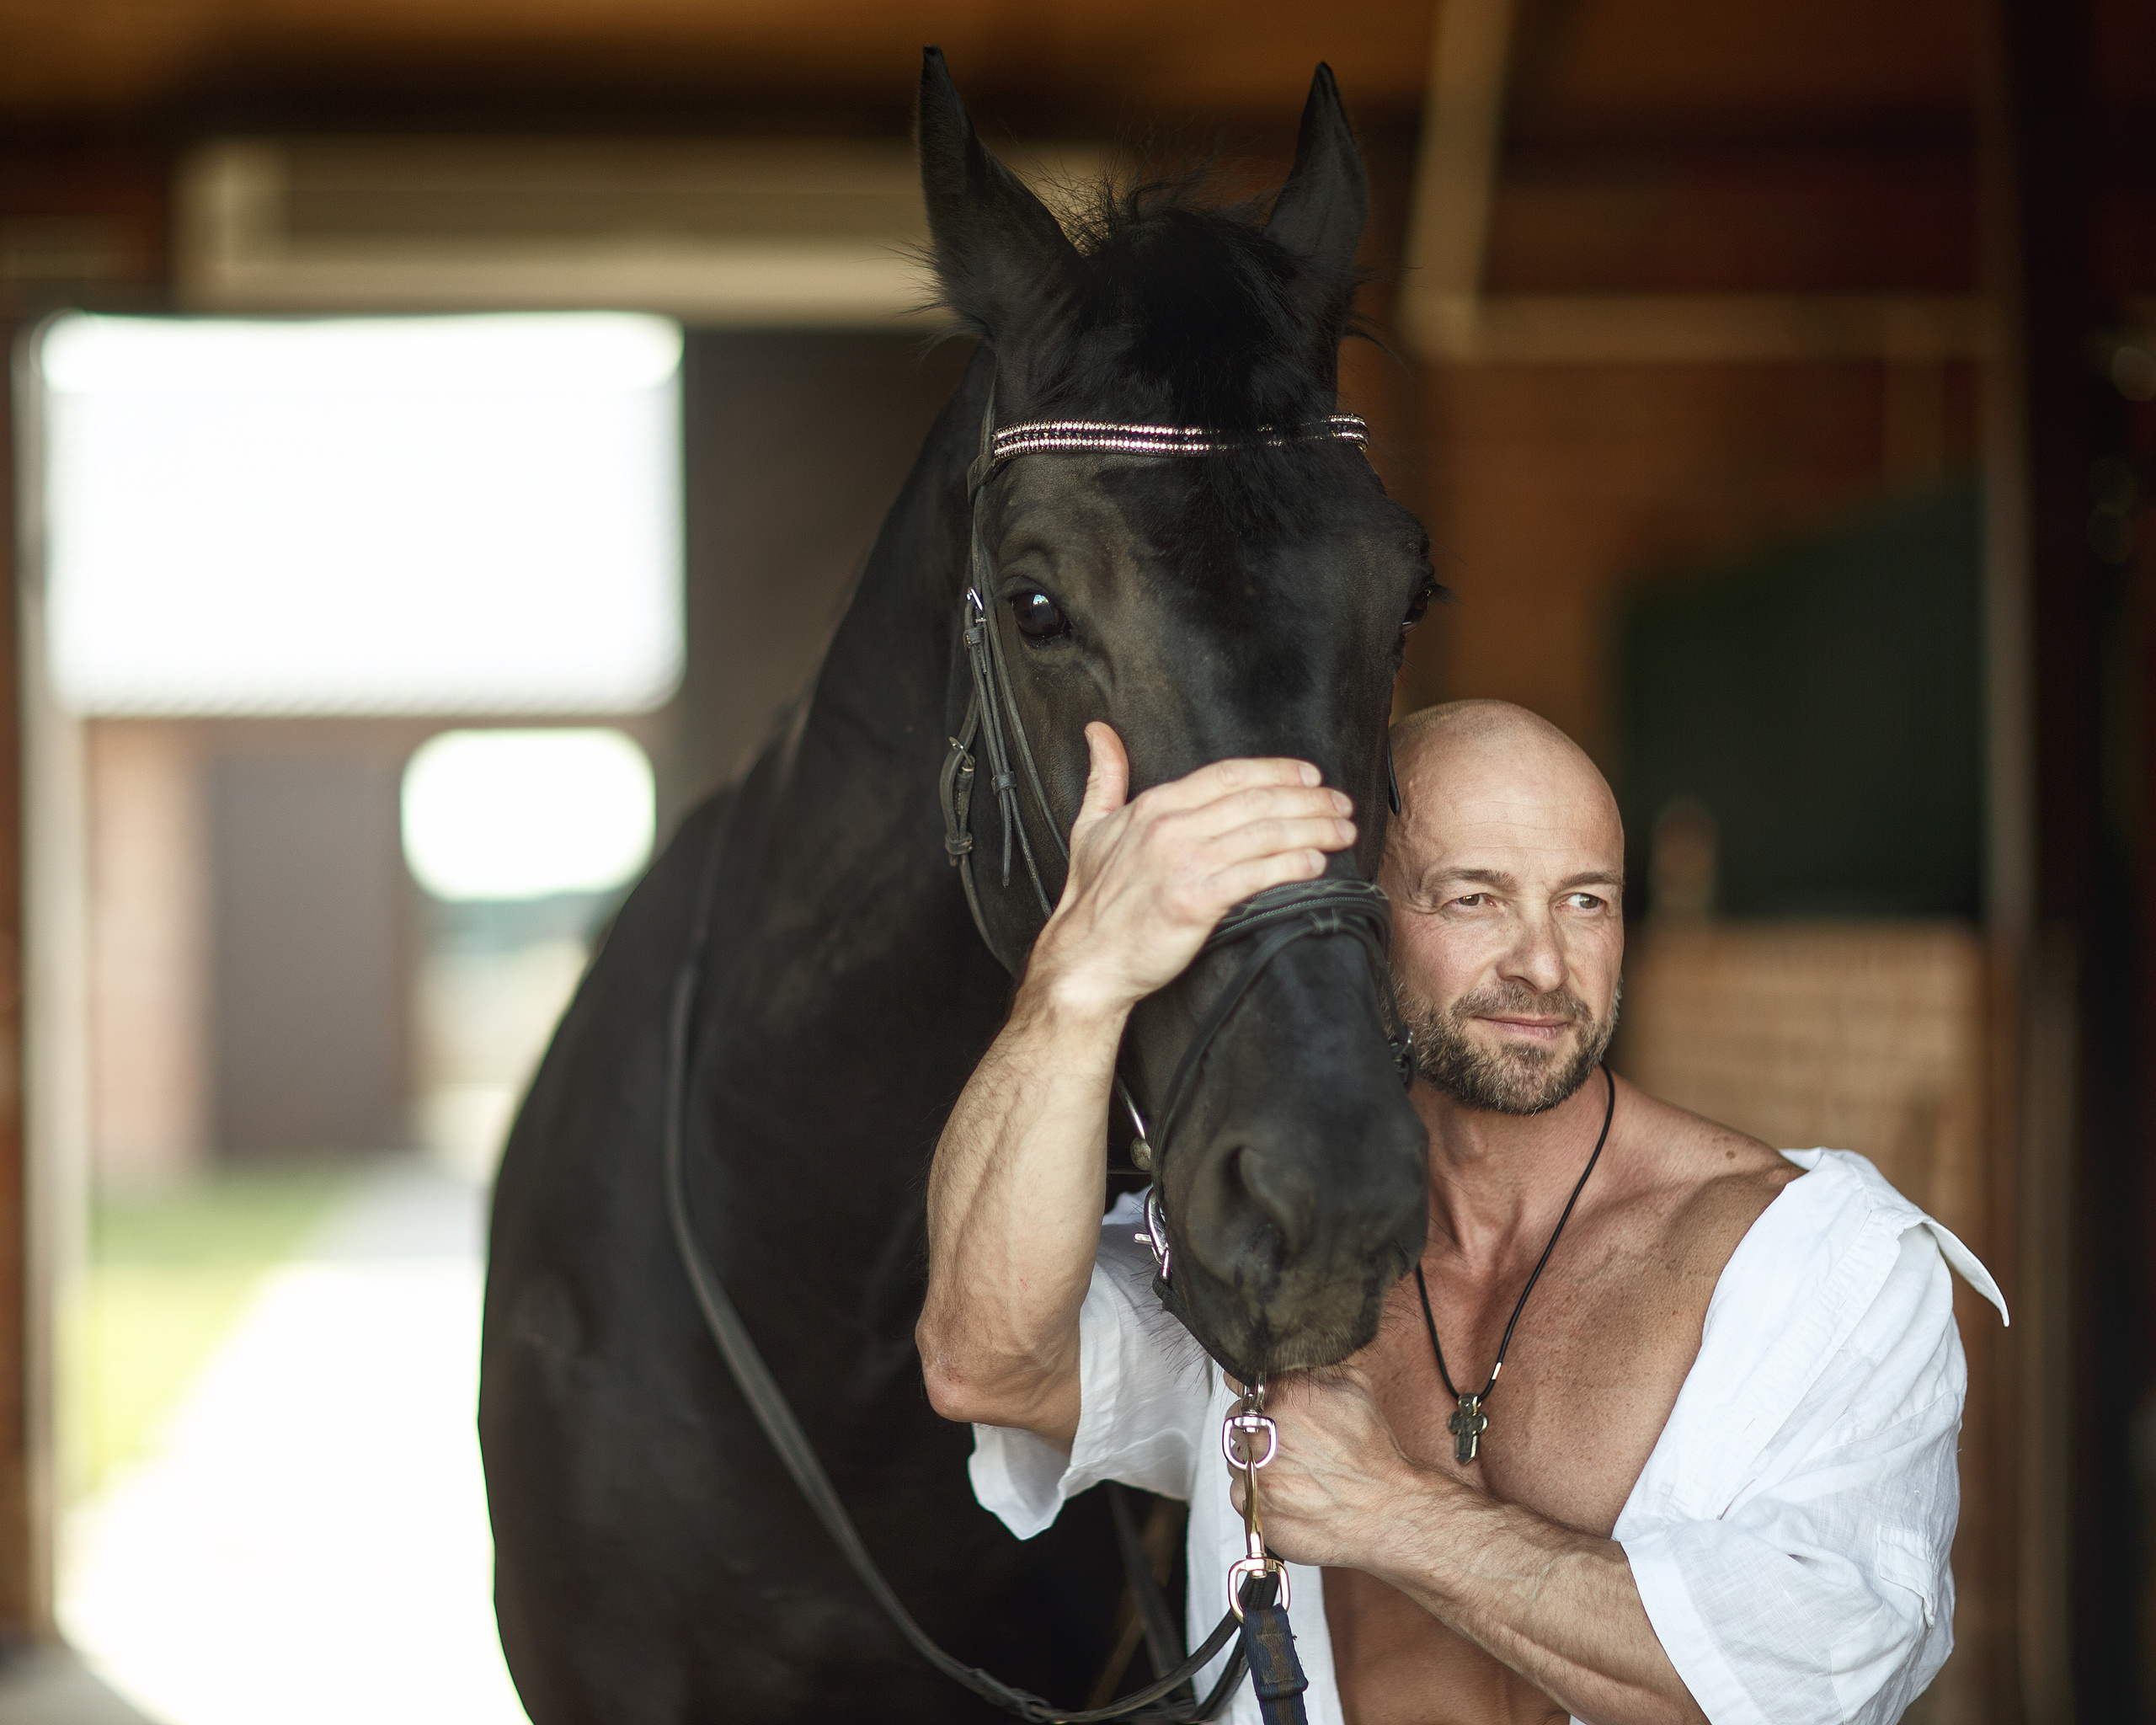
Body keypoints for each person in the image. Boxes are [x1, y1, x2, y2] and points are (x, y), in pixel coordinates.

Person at [916, 699, 2006, 1725]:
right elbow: (988, 1364)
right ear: (1359, 916)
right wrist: (1079, 980)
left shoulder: (1830, 1266)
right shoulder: (1260, 1247)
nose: (1543, 963)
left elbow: (1819, 1668)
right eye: (1474, 897)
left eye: (1586, 899)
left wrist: (1391, 1513)